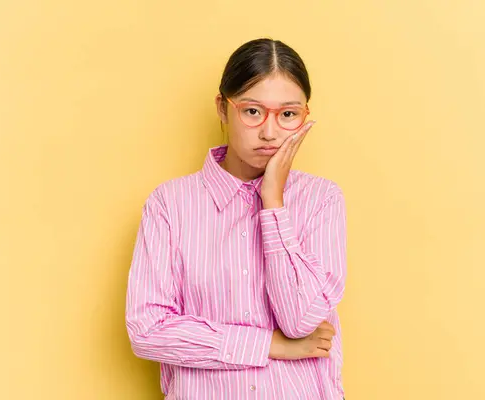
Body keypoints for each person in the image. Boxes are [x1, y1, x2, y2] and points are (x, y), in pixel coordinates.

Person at [125, 38, 347, 399]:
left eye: (288, 114)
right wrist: (270, 345)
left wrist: (272, 202)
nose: (270, 133)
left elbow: (301, 319)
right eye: (252, 111)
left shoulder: (321, 200)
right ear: (222, 108)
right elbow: (148, 331)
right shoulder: (169, 204)